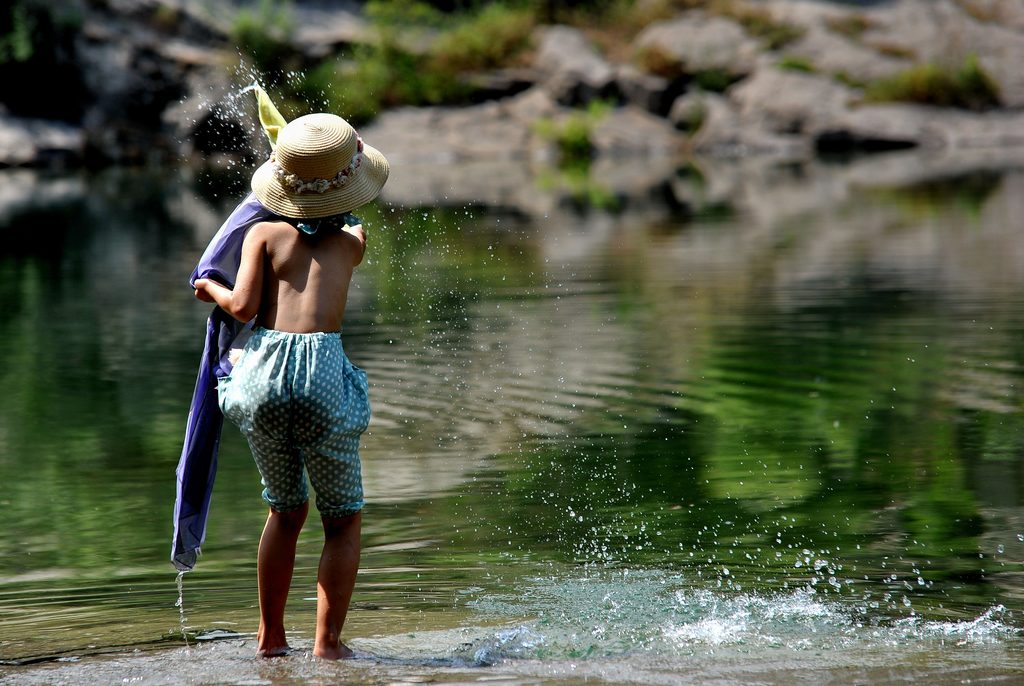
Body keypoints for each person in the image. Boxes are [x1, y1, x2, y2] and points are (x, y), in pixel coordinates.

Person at [192, 111, 389, 659]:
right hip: (322, 377)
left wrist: (210, 286)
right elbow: (341, 221)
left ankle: (270, 638)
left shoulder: (262, 234)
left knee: (285, 510)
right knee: (342, 518)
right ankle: (327, 645)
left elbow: (245, 306)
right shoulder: (353, 243)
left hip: (264, 379)